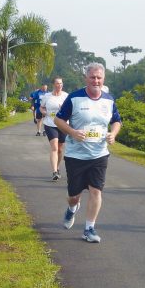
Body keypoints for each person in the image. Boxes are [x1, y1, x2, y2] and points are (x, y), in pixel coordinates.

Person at [55, 63, 122, 243]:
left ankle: (89, 228)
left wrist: (113, 134)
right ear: (86, 78)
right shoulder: (75, 98)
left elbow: (116, 121)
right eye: (92, 77)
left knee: (96, 191)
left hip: (99, 154)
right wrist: (72, 132)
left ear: (103, 79)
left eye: (99, 77)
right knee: (73, 196)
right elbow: (58, 119)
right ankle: (72, 209)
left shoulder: (109, 100)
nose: (96, 81)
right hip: (76, 156)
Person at [39, 77, 68, 181]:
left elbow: (71, 110)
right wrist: (44, 112)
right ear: (53, 85)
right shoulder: (47, 96)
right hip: (50, 123)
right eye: (57, 83)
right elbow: (41, 107)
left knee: (60, 149)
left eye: (60, 83)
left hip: (63, 124)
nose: (59, 85)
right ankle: (54, 171)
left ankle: (57, 166)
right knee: (54, 147)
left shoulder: (66, 96)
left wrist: (63, 109)